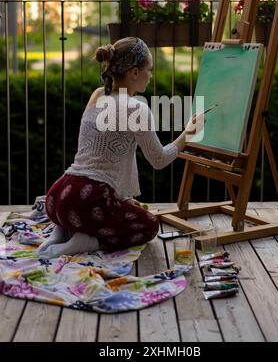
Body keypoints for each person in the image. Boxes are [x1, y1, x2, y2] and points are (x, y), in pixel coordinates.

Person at [38, 37, 203, 258]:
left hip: (58, 196)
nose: (151, 75)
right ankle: (86, 240)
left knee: (123, 206)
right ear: (135, 72)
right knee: (148, 225)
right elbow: (159, 160)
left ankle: (63, 232)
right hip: (88, 201)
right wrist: (188, 134)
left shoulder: (98, 94)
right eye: (148, 70)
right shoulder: (136, 108)